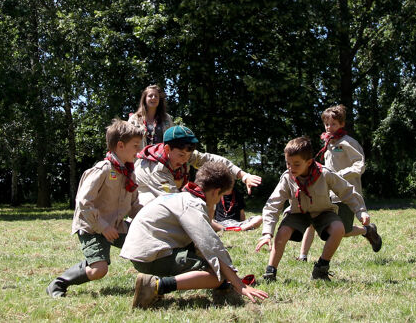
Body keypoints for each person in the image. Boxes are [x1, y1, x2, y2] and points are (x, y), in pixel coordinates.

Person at [122, 162, 269, 308]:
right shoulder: (193, 205)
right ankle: (156, 286)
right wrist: (239, 285)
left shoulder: (181, 197)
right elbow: (211, 246)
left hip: (143, 252)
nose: (218, 201)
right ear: (214, 192)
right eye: (220, 196)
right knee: (216, 276)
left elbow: (200, 246)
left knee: (209, 264)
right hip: (151, 257)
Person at [46, 119, 146, 297]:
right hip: (92, 227)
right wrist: (103, 226)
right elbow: (84, 202)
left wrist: (149, 218)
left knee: (145, 244)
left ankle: (159, 283)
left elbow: (134, 206)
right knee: (98, 270)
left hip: (115, 226)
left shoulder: (129, 173)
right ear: (120, 145)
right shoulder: (103, 170)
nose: (139, 150)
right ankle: (58, 284)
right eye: (136, 145)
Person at [255, 136, 375, 282]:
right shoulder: (287, 178)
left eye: (297, 164)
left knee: (339, 228)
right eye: (288, 163)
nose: (291, 168)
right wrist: (267, 233)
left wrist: (360, 210)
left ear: (309, 162)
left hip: (323, 212)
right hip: (298, 213)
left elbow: (347, 191)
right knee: (283, 232)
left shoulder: (324, 174)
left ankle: (321, 269)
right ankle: (270, 272)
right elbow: (273, 205)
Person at [297, 105, 382, 261]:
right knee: (311, 220)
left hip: (344, 194)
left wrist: (339, 175)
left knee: (345, 231)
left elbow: (359, 165)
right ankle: (302, 256)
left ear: (342, 124)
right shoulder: (328, 143)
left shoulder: (347, 143)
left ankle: (367, 231)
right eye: (327, 124)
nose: (329, 127)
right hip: (326, 192)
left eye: (334, 124)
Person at [135, 125, 262, 207]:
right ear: (167, 149)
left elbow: (215, 160)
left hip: (171, 197)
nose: (185, 160)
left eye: (188, 155)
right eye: (181, 155)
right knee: (154, 205)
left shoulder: (185, 155)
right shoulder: (154, 167)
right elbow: (174, 202)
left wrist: (244, 175)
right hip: (142, 203)